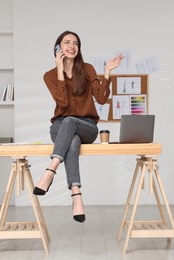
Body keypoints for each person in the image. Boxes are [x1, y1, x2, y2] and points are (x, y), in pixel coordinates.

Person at [33, 30, 124, 223]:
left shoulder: (88, 69)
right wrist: (59, 70)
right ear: (58, 48)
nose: (72, 46)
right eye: (67, 42)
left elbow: (101, 98)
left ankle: (50, 170)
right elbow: (63, 103)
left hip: (87, 127)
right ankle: (77, 195)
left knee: (71, 122)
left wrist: (107, 72)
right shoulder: (49, 75)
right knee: (71, 139)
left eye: (75, 43)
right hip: (60, 127)